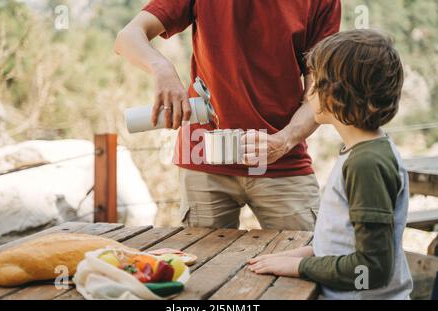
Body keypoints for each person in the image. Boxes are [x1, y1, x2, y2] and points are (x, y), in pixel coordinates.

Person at [115, 1, 341, 230]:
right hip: (203, 157)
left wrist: (282, 142)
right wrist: (161, 68)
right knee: (202, 262)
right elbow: (128, 36)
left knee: (305, 258)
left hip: (282, 159)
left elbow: (319, 94)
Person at [248, 29, 413, 299]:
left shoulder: (367, 164)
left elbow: (372, 269)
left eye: (316, 83)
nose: (308, 91)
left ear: (338, 93)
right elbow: (344, 240)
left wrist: (301, 266)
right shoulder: (360, 152)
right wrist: (296, 255)